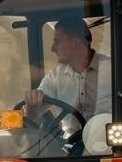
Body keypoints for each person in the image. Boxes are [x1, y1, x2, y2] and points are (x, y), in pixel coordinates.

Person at [25, 16, 112, 150]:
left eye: (57, 42)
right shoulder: (55, 77)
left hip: (109, 145)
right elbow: (34, 115)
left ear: (74, 43)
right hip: (71, 148)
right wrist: (32, 105)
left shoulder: (113, 69)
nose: (52, 48)